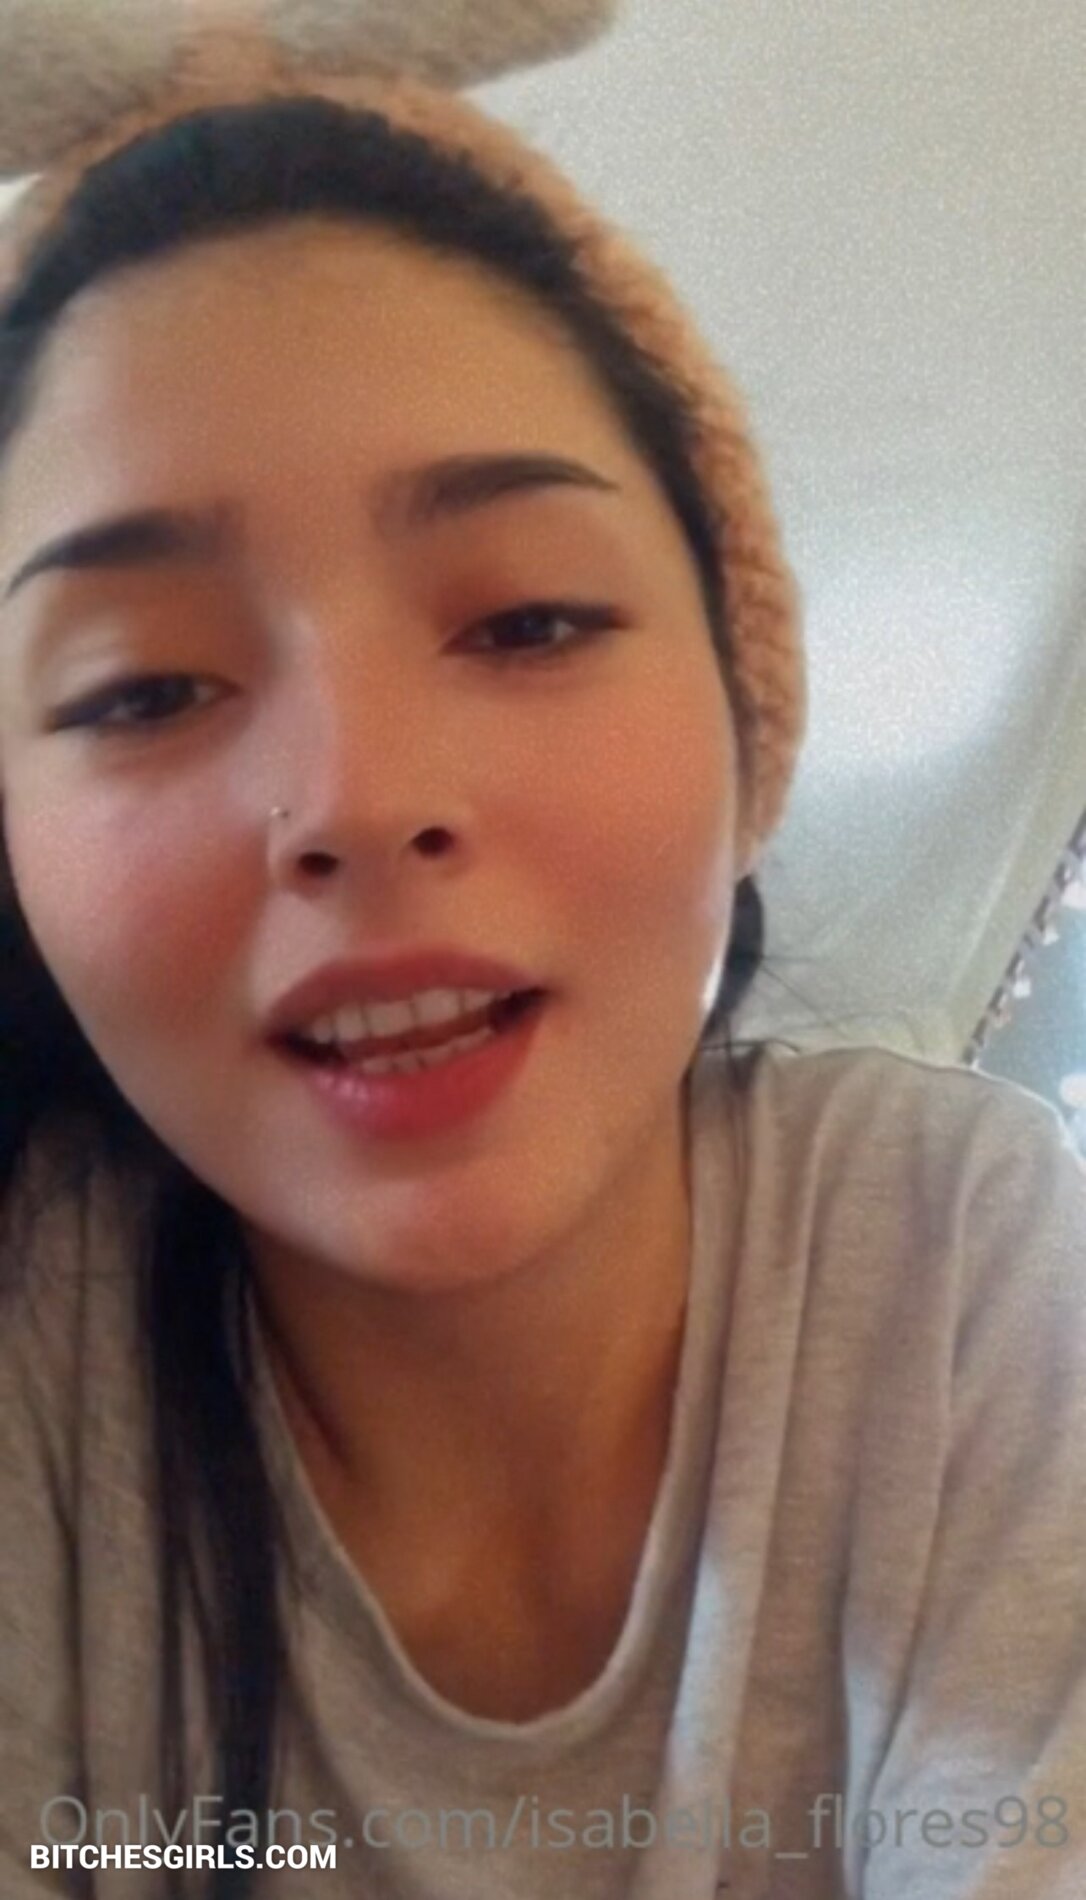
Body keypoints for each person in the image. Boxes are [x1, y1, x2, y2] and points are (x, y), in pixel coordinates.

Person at [0, 8, 1083, 1899]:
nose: (355, 797)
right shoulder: (40, 1364)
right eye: (146, 687)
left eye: (523, 623)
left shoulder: (961, 1262)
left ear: (744, 705)